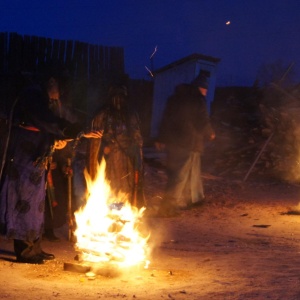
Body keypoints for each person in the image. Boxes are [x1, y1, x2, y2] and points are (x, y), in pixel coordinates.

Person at [0, 77, 102, 264]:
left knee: (36, 204)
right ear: (51, 82)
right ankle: (25, 252)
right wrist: (75, 131)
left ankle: (35, 248)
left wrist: (59, 139)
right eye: (58, 90)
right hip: (25, 155)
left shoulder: (41, 98)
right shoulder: (32, 95)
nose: (58, 96)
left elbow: (49, 126)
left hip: (36, 157)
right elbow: (47, 122)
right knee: (24, 202)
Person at [156, 74, 215, 216]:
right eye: (205, 89)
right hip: (188, 142)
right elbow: (201, 119)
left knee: (190, 173)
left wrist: (161, 138)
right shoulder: (197, 100)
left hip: (176, 142)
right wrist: (210, 132)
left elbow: (165, 119)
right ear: (201, 88)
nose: (206, 92)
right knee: (179, 175)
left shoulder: (175, 98)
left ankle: (193, 200)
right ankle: (167, 209)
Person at [87, 84, 145, 208]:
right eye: (115, 97)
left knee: (127, 185)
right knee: (111, 184)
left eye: (121, 97)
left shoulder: (131, 115)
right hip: (110, 158)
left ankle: (127, 210)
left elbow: (136, 135)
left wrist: (136, 150)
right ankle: (111, 211)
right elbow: (94, 139)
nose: (118, 101)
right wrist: (103, 147)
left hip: (127, 157)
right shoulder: (102, 115)